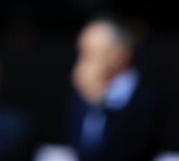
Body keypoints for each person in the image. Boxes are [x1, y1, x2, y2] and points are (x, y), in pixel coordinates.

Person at [68, 16, 164, 161]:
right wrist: (94, 104)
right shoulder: (81, 97)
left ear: (121, 54)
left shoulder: (149, 97)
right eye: (82, 53)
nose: (84, 63)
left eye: (93, 53)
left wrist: (99, 103)